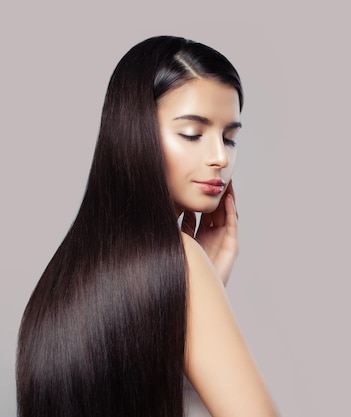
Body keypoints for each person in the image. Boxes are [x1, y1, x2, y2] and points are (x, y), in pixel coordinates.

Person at [16, 35, 278, 417]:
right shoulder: (181, 263)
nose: (220, 157)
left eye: (230, 138)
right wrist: (196, 280)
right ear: (134, 131)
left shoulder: (62, 280)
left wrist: (205, 290)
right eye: (193, 134)